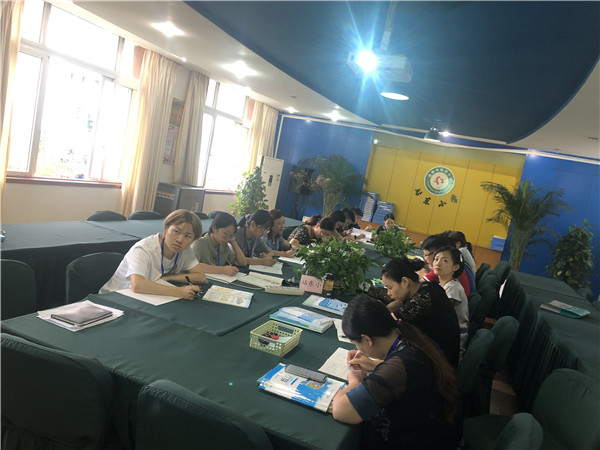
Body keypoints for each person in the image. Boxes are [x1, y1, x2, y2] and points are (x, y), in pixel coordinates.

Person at [332, 296, 461, 450]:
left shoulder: (396, 369)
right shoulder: (411, 336)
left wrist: (355, 380)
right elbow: (409, 375)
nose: (358, 349)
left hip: (414, 441)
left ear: (367, 339)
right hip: (435, 429)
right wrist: (375, 365)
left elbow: (340, 410)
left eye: (356, 344)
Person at [100, 209, 205, 300]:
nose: (180, 240)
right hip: (115, 297)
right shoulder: (144, 248)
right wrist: (179, 292)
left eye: (187, 236)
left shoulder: (184, 250)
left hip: (145, 296)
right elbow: (137, 285)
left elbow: (201, 277)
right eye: (176, 231)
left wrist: (170, 278)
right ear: (166, 229)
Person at [381, 256, 460, 368]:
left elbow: (386, 323)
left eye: (390, 288)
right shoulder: (427, 287)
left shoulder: (422, 299)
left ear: (405, 281)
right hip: (441, 356)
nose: (388, 293)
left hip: (440, 366)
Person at [433, 246, 469, 353]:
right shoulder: (443, 285)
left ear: (456, 267)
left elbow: (438, 315)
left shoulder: (454, 289)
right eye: (436, 259)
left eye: (445, 260)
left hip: (451, 344)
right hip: (445, 335)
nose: (438, 263)